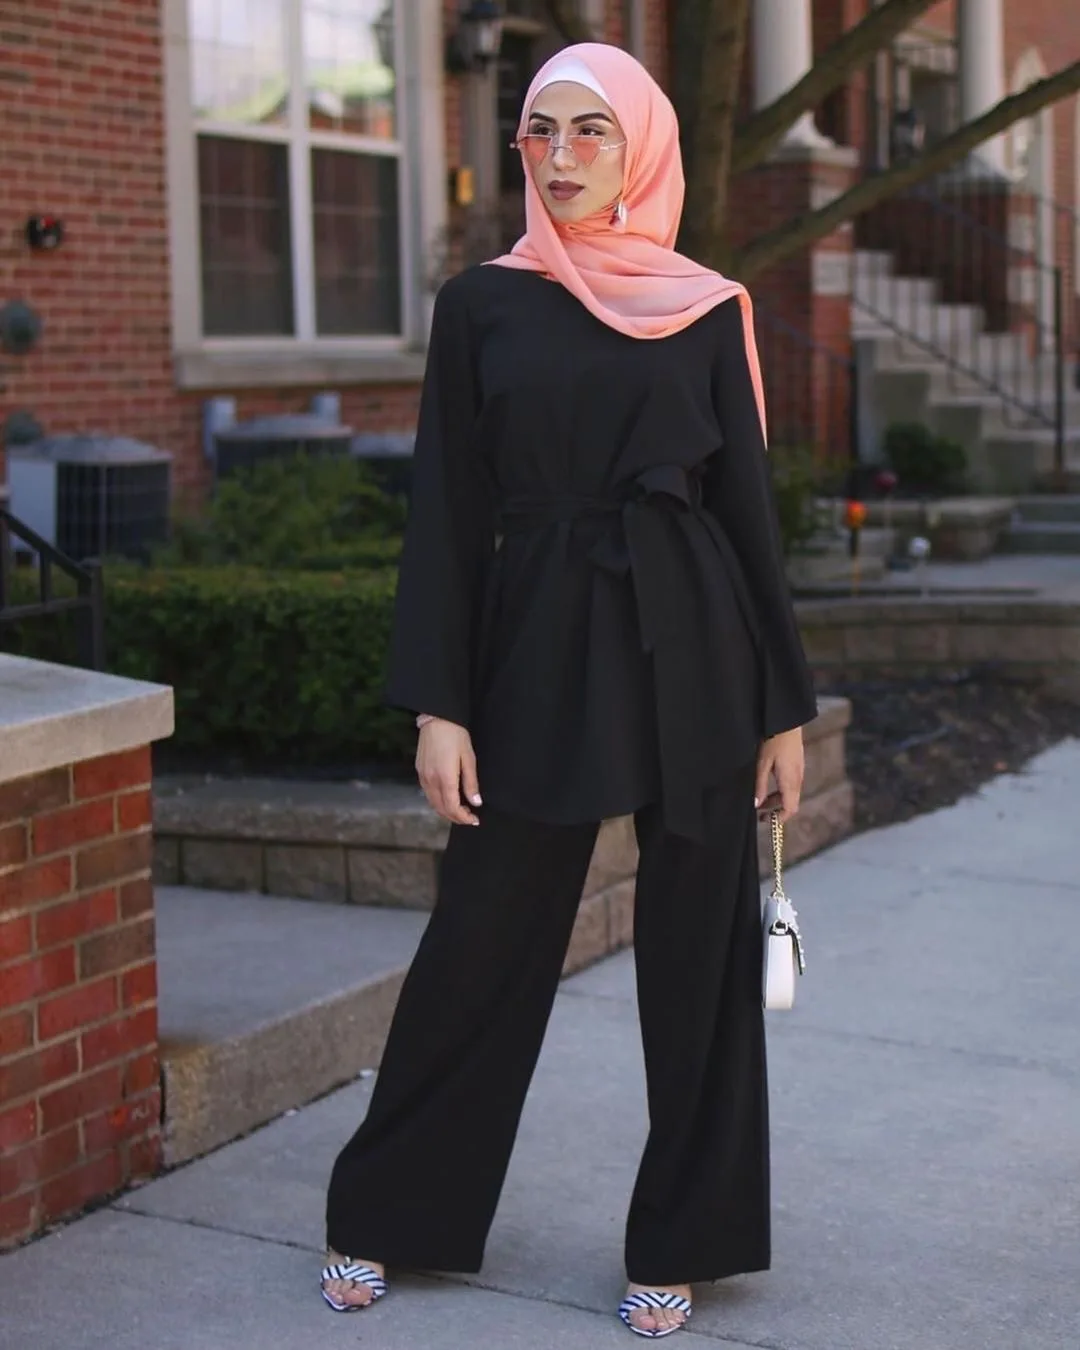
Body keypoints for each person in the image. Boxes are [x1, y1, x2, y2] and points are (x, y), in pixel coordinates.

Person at [321, 41, 817, 1340]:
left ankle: (685, 1238)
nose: (561, 155)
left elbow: (745, 512)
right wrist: (440, 703)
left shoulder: (707, 305)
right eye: (541, 130)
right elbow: (447, 512)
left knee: (699, 954)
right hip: (538, 637)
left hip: (696, 639)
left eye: (593, 129)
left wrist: (782, 705)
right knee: (484, 935)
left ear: (641, 145)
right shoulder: (481, 305)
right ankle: (392, 1207)